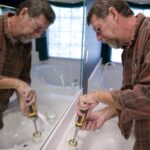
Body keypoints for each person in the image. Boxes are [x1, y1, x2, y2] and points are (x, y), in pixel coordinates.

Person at [76, 0, 150, 149]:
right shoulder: (128, 49)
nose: (98, 38)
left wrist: (98, 96)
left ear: (113, 14)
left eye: (98, 29)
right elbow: (132, 98)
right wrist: (104, 113)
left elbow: (147, 98)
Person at [0, 0, 55, 129]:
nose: (37, 35)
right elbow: (20, 82)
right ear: (24, 12)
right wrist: (18, 84)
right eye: (37, 28)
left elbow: (24, 77)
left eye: (42, 32)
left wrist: (22, 98)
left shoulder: (26, 43)